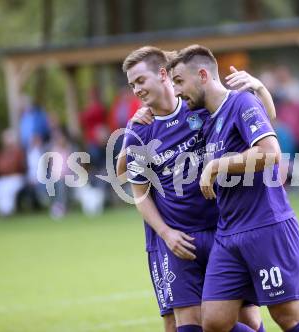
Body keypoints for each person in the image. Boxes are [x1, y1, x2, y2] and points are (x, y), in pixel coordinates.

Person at [118, 46, 275, 332]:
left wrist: (259, 87)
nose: (136, 90)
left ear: (163, 74)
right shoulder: (141, 130)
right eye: (132, 85)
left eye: (140, 81)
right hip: (176, 238)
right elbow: (132, 184)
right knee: (184, 324)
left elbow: (263, 123)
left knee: (248, 319)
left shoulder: (199, 108)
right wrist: (166, 234)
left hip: (223, 231)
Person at [168, 45, 299, 332]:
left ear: (202, 75)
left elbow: (270, 152)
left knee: (286, 315)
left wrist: (217, 166)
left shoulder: (241, 103)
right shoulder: (208, 120)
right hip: (229, 233)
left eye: (179, 82)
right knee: (214, 321)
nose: (176, 92)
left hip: (266, 226)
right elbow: (268, 116)